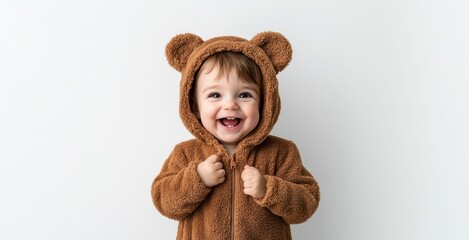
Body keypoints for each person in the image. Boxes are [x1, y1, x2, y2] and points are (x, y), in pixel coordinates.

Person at [151, 32, 320, 240]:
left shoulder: (281, 153)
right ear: (195, 105)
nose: (230, 104)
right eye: (215, 95)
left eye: (244, 95)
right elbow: (164, 200)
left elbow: (307, 203)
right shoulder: (185, 153)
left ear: (263, 103)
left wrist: (269, 188)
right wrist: (197, 179)